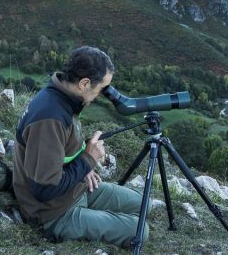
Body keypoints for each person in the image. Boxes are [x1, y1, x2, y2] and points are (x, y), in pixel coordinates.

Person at [14, 46, 148, 246]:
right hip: (52, 212)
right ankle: (87, 220)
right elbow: (44, 190)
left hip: (75, 189)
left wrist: (81, 163)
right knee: (140, 231)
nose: (104, 94)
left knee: (144, 204)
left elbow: (60, 151)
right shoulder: (50, 118)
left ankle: (95, 216)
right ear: (85, 83)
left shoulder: (65, 97)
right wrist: (87, 161)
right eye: (102, 88)